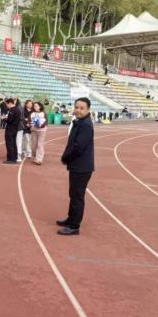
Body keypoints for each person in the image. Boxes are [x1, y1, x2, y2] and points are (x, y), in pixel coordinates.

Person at [58, 98, 95, 236]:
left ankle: (74, 226)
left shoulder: (85, 125)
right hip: (77, 165)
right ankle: (71, 218)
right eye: (76, 107)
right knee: (73, 194)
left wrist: (65, 158)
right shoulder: (79, 122)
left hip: (81, 167)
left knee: (77, 196)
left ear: (88, 110)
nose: (78, 110)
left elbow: (78, 147)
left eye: (82, 108)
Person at [3, 98, 20, 165]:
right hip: (15, 129)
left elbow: (10, 120)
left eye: (7, 104)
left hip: (10, 129)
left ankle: (11, 159)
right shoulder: (17, 109)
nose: (7, 106)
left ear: (10, 103)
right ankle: (14, 158)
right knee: (13, 144)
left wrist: (4, 119)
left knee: (10, 144)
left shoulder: (12, 110)